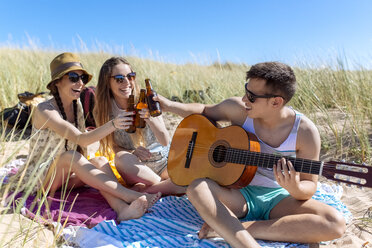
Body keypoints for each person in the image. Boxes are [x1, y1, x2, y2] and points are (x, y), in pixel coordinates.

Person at [153, 62, 346, 247]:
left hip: (278, 197)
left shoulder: (305, 132)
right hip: (237, 194)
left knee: (334, 222)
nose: (244, 99)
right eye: (246, 91)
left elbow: (310, 185)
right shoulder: (239, 111)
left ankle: (235, 229)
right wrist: (168, 105)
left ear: (276, 102)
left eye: (252, 97)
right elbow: (204, 110)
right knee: (196, 187)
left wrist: (295, 188)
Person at [7, 52, 161, 221]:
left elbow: (84, 145)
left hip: (65, 177)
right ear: (57, 82)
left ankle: (121, 209)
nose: (80, 84)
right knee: (71, 157)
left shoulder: (76, 105)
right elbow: (80, 139)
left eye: (83, 79)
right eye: (73, 77)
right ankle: (128, 195)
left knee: (100, 161)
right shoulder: (45, 110)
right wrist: (114, 124)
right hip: (41, 178)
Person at [94, 57, 184, 195]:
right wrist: (132, 153)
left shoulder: (148, 100)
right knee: (120, 158)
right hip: (136, 168)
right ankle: (165, 186)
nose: (127, 83)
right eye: (119, 79)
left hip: (164, 162)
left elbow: (164, 140)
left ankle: (150, 189)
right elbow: (115, 146)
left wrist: (149, 119)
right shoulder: (104, 111)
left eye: (130, 76)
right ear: (107, 82)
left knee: (191, 175)